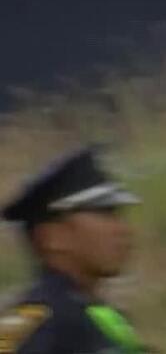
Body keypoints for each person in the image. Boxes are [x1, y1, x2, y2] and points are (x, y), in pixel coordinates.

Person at [0, 146, 149, 354]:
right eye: (104, 213)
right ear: (52, 237)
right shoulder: (33, 323)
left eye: (118, 214)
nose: (122, 229)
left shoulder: (103, 316)